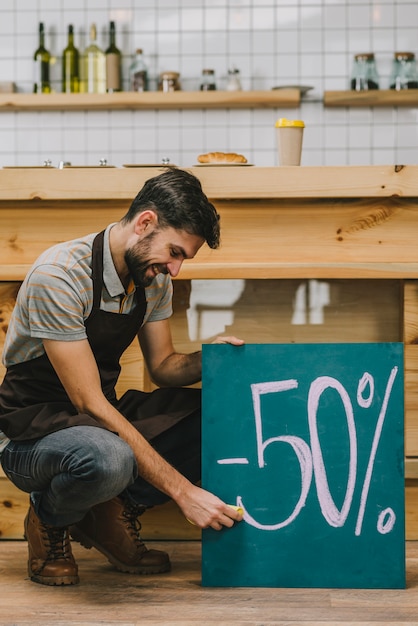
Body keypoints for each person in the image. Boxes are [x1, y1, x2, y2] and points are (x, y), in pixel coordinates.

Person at [0, 167, 244, 586]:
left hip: (95, 420)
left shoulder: (152, 278)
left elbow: (164, 368)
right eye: (175, 252)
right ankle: (49, 517)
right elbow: (88, 402)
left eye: (183, 257)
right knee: (109, 458)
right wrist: (184, 493)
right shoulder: (59, 276)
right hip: (31, 432)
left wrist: (212, 359)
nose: (176, 269)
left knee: (223, 415)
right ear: (145, 223)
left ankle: (110, 514)